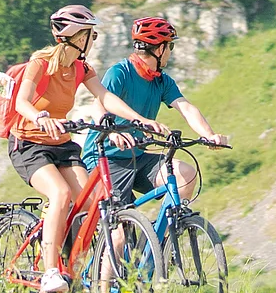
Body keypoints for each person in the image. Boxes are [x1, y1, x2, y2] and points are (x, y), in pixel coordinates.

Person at [10, 4, 163, 293]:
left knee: (90, 204)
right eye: (90, 36)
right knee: (61, 193)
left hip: (62, 144)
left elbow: (105, 97)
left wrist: (139, 120)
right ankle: (51, 272)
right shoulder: (40, 63)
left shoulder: (82, 68)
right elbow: (21, 103)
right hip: (29, 144)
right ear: (76, 37)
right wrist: (40, 117)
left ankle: (71, 265)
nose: (93, 41)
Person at [80, 16, 228, 206]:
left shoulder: (162, 80)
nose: (170, 53)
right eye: (170, 47)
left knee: (186, 175)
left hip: (137, 158)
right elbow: (99, 105)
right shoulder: (120, 73)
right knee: (119, 236)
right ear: (160, 49)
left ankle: (166, 233)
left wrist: (209, 135)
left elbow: (186, 107)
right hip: (105, 161)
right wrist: (112, 131)